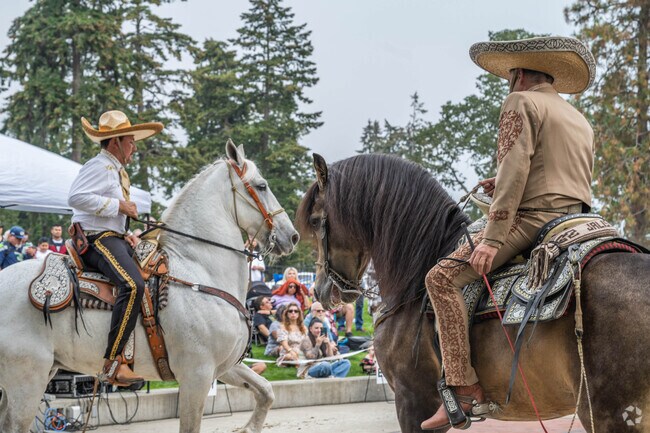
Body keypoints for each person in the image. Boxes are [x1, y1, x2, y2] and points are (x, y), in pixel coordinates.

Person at [420, 36, 596, 430]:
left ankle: (464, 389)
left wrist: (493, 238)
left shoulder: (520, 102)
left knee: (441, 278)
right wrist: (499, 179)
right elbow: (552, 171)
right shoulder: (576, 116)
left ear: (518, 76)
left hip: (532, 219)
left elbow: (517, 170)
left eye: (509, 78)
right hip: (581, 220)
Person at [68, 110, 163, 387]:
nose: (134, 147)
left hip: (111, 236)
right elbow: (75, 197)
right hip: (96, 239)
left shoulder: (115, 169)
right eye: (131, 141)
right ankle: (114, 363)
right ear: (115, 142)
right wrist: (119, 206)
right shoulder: (99, 165)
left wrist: (126, 234)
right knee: (133, 285)